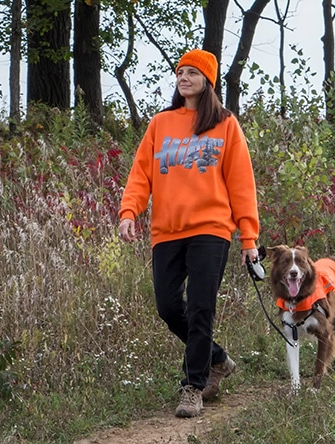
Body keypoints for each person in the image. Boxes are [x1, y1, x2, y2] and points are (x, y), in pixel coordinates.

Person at [118, 48, 260, 418]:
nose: (183, 78)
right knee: (167, 306)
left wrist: (248, 237)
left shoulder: (225, 124)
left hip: (211, 229)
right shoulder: (160, 124)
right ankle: (217, 358)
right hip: (166, 230)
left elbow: (241, 184)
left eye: (192, 73)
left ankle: (193, 387)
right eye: (180, 72)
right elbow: (140, 174)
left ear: (207, 81)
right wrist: (129, 210)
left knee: (201, 308)